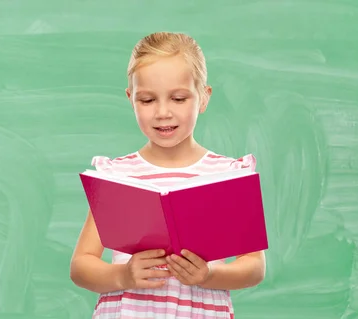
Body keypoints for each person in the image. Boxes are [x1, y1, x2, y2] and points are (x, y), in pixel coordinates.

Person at [69, 31, 267, 318]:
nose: (163, 112)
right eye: (147, 101)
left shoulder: (227, 175)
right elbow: (81, 265)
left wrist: (209, 275)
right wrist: (123, 275)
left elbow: (255, 266)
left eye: (178, 98)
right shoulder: (118, 175)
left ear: (203, 97)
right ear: (131, 99)